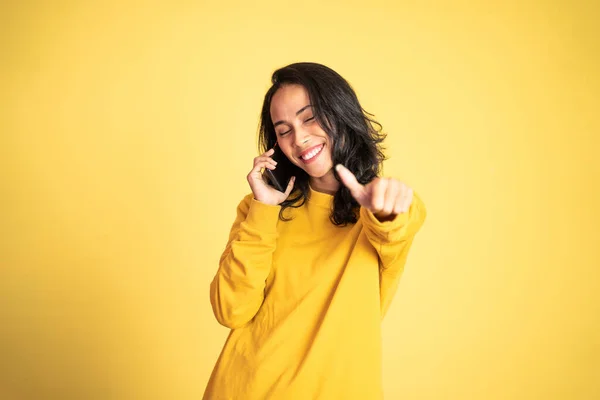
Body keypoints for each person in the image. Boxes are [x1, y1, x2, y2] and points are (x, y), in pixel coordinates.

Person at [203, 62, 427, 399]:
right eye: (283, 129)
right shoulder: (259, 209)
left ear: (340, 112)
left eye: (309, 118)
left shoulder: (385, 210)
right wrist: (264, 211)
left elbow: (394, 228)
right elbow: (230, 309)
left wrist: (382, 208)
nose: (300, 137)